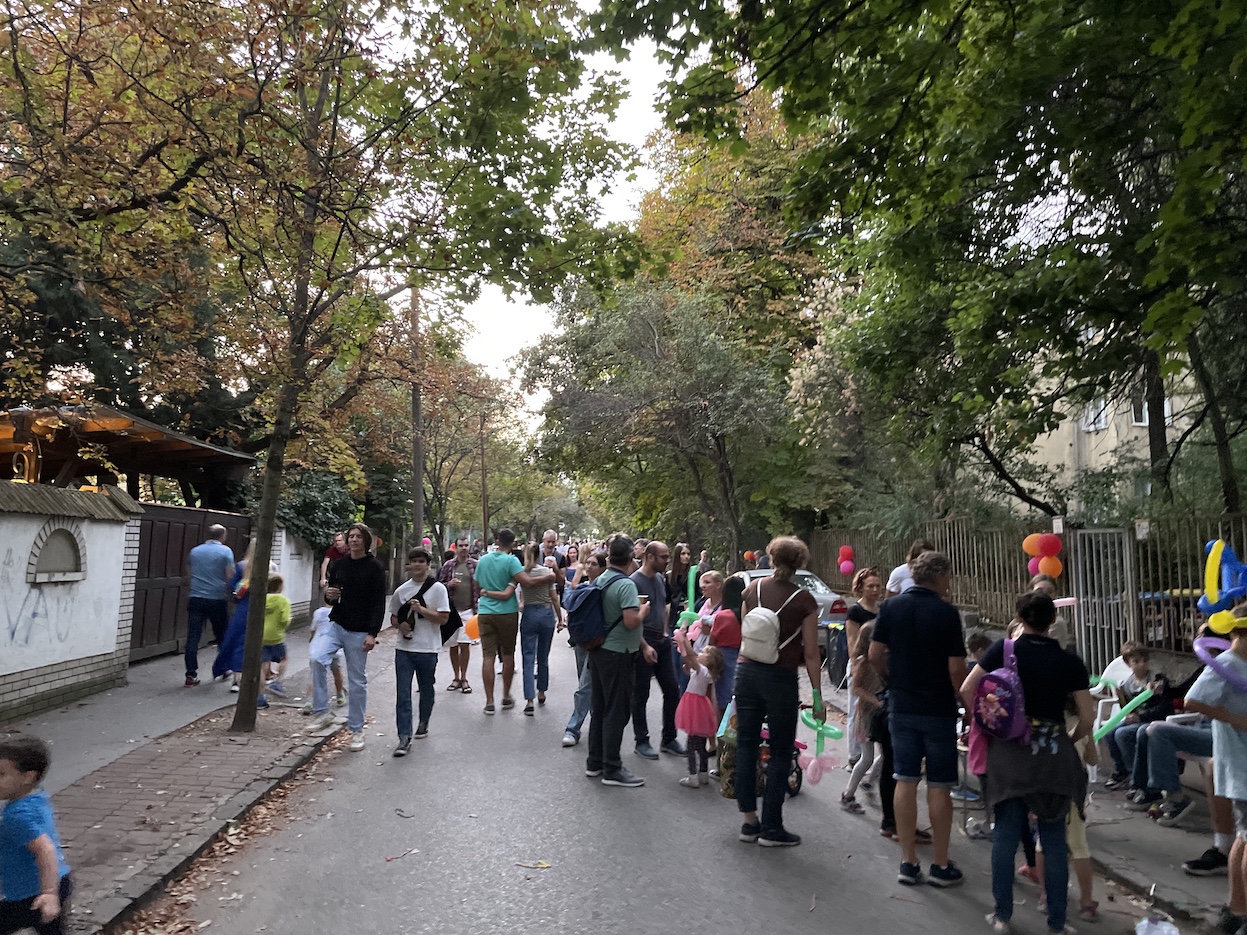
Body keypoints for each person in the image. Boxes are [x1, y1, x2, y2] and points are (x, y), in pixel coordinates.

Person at [961, 591, 1093, 934]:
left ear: (1019, 618)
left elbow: (966, 689)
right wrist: (1069, 739)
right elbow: (1088, 717)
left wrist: (991, 726)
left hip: (1009, 753)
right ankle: (1057, 922)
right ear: (1052, 622)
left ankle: (1002, 915)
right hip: (1053, 754)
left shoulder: (1002, 651)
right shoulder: (1070, 661)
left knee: (1005, 834)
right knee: (1053, 836)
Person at [869, 549, 967, 886]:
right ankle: (940, 864)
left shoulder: (891, 607)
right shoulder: (947, 613)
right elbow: (957, 668)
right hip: (938, 708)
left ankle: (908, 862)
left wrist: (890, 680)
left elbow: (874, 654)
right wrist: (961, 698)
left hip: (903, 704)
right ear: (940, 577)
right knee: (940, 785)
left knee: (905, 778)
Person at [735, 536, 824, 847]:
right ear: (799, 563)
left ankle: (748, 821)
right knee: (781, 750)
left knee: (745, 744)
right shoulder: (804, 601)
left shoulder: (751, 590)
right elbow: (812, 654)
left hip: (746, 672)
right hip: (780, 678)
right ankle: (772, 826)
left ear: (770, 559)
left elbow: (746, 633)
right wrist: (817, 696)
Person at [1175, 610, 1247, 935]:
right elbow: (1192, 701)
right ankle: (1239, 911)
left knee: (1244, 838)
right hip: (1241, 763)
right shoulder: (1228, 664)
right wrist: (1234, 718)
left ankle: (1236, 910)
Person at [586, 534, 658, 788]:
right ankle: (612, 768)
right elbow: (630, 621)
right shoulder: (626, 584)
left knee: (600, 707)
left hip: (599, 651)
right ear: (631, 557)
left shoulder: (602, 578)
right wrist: (644, 612)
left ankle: (595, 761)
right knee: (617, 711)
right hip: (618, 654)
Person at [309, 523, 387, 752]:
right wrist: (330, 595)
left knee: (357, 682)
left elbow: (378, 604)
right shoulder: (339, 565)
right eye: (350, 536)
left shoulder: (374, 568)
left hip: (360, 631)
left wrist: (373, 633)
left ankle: (357, 730)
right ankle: (322, 712)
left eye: (357, 536)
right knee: (316, 658)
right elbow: (332, 596)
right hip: (337, 625)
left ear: (365, 540)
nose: (353, 540)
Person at [0, 736, 72, 935]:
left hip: (33, 894)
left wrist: (49, 894)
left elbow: (45, 849)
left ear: (27, 777)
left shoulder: (16, 816)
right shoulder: (35, 797)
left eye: (1, 774)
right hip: (58, 878)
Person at [387, 548, 450, 756]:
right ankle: (404, 737)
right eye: (413, 561)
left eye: (421, 561)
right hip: (404, 648)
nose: (417, 565)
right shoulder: (401, 591)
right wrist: (400, 626)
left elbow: (443, 618)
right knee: (403, 694)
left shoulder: (439, 589)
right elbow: (394, 617)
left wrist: (421, 610)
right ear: (408, 565)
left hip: (428, 648)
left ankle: (424, 720)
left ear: (427, 564)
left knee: (426, 688)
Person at [631, 541, 686, 759]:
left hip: (660, 640)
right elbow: (633, 619)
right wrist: (643, 646)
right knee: (641, 693)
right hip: (642, 641)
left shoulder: (661, 579)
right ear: (650, 556)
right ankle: (641, 740)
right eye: (663, 557)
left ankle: (669, 738)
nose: (666, 561)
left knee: (672, 689)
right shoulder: (635, 582)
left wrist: (665, 633)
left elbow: (663, 606)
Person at [474, 529, 524, 715]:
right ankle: (506, 695)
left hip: (486, 611)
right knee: (508, 653)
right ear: (513, 543)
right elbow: (522, 580)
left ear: (497, 541)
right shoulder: (512, 561)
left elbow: (477, 585)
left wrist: (487, 592)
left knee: (488, 656)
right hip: (507, 612)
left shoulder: (483, 560)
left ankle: (489, 700)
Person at [1104, 641, 1163, 789]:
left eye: (1145, 660)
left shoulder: (1156, 679)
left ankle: (1135, 776)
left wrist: (1154, 694)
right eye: (1136, 661)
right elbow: (1128, 708)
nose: (1142, 664)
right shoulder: (1128, 683)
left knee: (1122, 734)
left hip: (1151, 720)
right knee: (1109, 733)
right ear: (1127, 663)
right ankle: (1121, 770)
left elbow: (1161, 708)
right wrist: (1121, 697)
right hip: (1136, 719)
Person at [563, 551, 607, 747]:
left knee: (584, 685)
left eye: (594, 564)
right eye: (587, 563)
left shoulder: (605, 589)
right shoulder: (581, 587)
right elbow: (569, 607)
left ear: (603, 568)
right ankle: (597, 724)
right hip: (581, 641)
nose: (589, 567)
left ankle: (573, 728)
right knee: (586, 683)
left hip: (597, 643)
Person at [184, 524, 235, 686]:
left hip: (196, 597)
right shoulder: (226, 552)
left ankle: (190, 675)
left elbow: (189, 574)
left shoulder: (195, 551)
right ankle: (224, 668)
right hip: (217, 599)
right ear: (223, 536)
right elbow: (230, 575)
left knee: (193, 636)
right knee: (222, 635)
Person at [842, 623, 884, 813]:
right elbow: (856, 687)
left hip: (880, 714)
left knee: (885, 755)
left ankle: (869, 781)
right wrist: (874, 700)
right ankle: (848, 795)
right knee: (867, 758)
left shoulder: (881, 659)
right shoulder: (862, 661)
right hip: (867, 715)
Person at [673, 629, 723, 788]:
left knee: (690, 744)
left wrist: (685, 639)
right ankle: (703, 773)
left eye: (703, 652)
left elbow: (691, 655)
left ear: (709, 661)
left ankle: (692, 776)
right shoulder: (704, 672)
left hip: (693, 707)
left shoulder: (702, 670)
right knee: (700, 744)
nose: (699, 653)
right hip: (701, 707)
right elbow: (691, 658)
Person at [845, 567, 884, 766]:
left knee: (874, 707)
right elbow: (853, 642)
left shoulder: (882, 610)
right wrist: (855, 665)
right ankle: (854, 754)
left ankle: (871, 750)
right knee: (856, 710)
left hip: (876, 665)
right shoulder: (855, 611)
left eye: (877, 585)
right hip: (860, 664)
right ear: (861, 588)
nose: (875, 589)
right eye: (870, 586)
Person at [519, 543, 563, 715]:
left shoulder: (522, 572)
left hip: (529, 613)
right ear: (540, 554)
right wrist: (560, 617)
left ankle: (529, 700)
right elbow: (554, 597)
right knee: (543, 656)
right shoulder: (546, 572)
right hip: (545, 613)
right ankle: (541, 692)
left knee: (528, 657)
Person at [436, 538, 478, 693]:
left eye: (466, 545)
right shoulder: (448, 566)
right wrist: (449, 585)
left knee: (465, 644)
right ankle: (456, 678)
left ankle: (465, 677)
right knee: (453, 645)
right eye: (461, 546)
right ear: (455, 548)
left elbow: (480, 585)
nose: (464, 548)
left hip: (468, 610)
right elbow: (439, 586)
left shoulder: (475, 565)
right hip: (452, 611)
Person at [212, 540, 254, 688]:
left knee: (238, 642)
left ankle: (237, 679)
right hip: (264, 608)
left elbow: (232, 588)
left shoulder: (242, 566)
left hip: (243, 608)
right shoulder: (272, 567)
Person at [708, 574, 743, 711]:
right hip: (743, 657)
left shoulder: (722, 616)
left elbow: (712, 642)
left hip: (723, 660)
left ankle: (723, 730)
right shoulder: (747, 615)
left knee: (723, 700)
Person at [256, 574, 291, 708]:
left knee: (263, 665)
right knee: (283, 658)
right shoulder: (283, 601)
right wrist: (281, 627)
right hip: (276, 636)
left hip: (261, 636)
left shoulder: (261, 599)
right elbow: (285, 620)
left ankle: (260, 697)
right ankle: (277, 682)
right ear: (280, 587)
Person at [302, 604, 345, 712]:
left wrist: (311, 641)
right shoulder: (342, 612)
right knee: (336, 672)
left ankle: (309, 700)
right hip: (334, 647)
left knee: (314, 674)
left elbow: (313, 629)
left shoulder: (319, 612)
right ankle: (340, 695)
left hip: (318, 645)